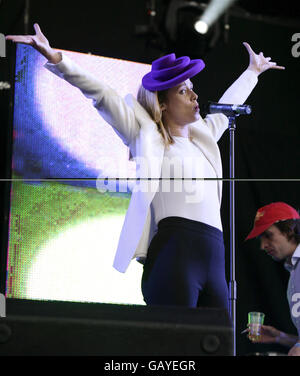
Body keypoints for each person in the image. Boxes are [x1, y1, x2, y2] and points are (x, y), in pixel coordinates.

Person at [6, 24, 285, 310]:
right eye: (183, 91)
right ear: (163, 104)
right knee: (174, 343)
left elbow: (228, 109)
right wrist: (56, 57)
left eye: (192, 89)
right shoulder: (148, 136)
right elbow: (102, 94)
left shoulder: (204, 137)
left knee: (219, 343)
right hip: (175, 250)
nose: (194, 96)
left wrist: (252, 72)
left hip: (214, 252)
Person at [245, 202, 300, 356]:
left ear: (290, 229)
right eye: (261, 239)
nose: (263, 246)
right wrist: (279, 337)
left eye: (268, 236)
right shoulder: (293, 271)